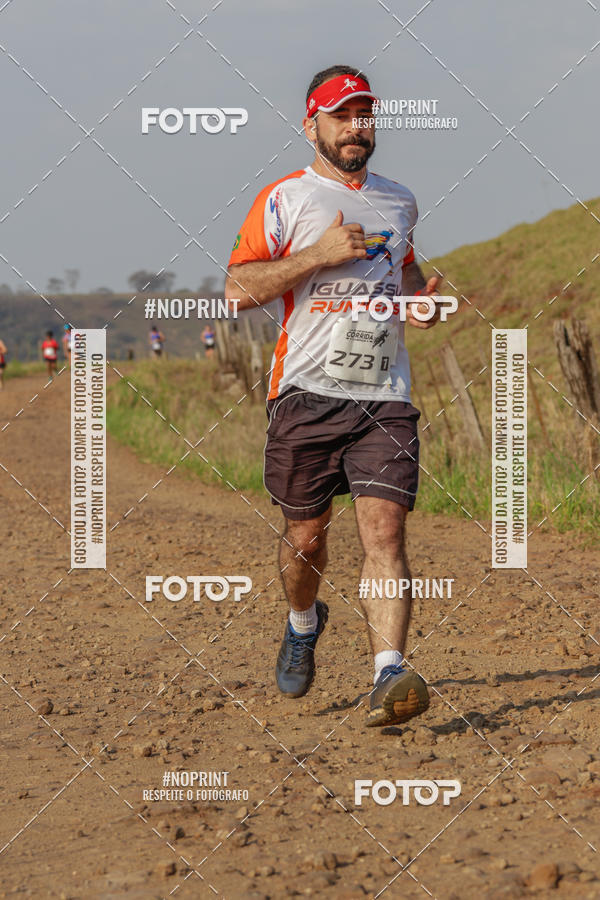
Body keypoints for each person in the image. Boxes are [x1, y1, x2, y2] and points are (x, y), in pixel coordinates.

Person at [225, 65, 442, 729]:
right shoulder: (284, 200)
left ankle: (389, 674)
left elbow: (403, 272)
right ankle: (301, 619)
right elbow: (239, 291)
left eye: (365, 115)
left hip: (384, 393)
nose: (357, 127)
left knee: (385, 529)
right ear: (312, 125)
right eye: (343, 115)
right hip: (305, 393)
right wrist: (317, 255)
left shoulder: (400, 201)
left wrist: (417, 302)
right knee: (307, 539)